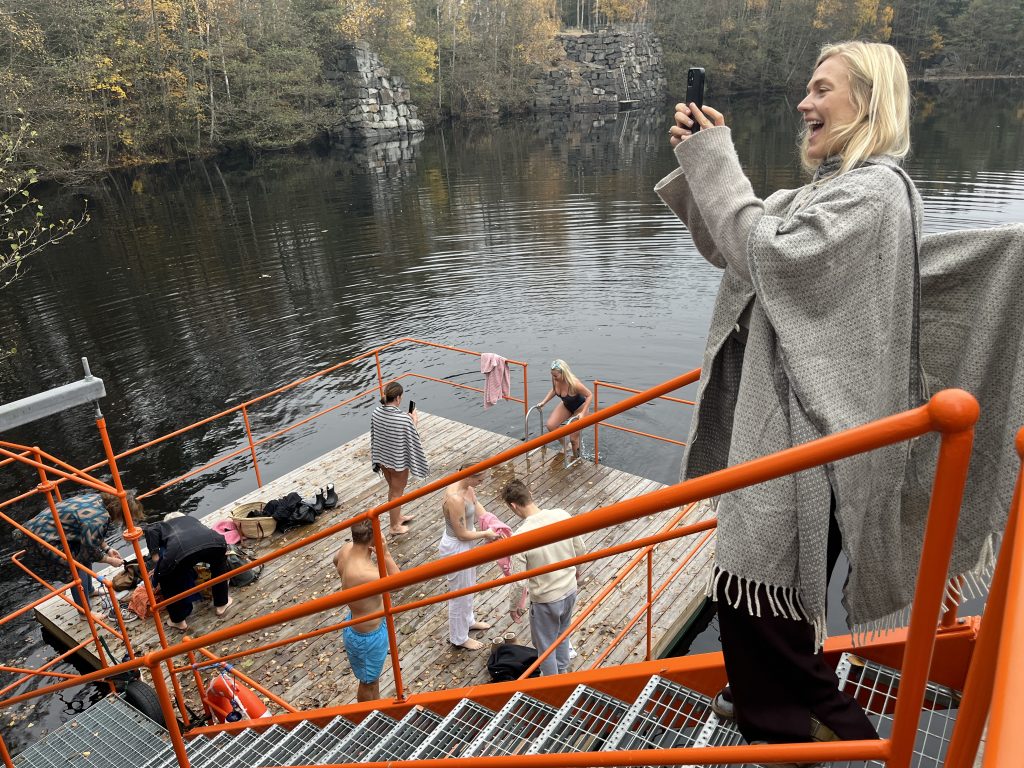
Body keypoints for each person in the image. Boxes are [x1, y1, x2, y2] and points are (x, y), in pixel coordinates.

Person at [657, 41, 923, 747]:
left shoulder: (873, 193)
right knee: (758, 606)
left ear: (866, 102)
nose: (805, 103)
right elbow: (737, 248)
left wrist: (717, 159)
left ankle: (828, 735)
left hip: (813, 437)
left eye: (821, 89)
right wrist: (700, 160)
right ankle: (773, 713)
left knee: (759, 604)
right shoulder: (832, 189)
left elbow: (767, 254)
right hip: (797, 429)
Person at [502, 479, 586, 676]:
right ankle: (563, 671)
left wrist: (514, 607)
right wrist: (577, 569)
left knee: (545, 646)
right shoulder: (561, 515)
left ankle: (551, 684)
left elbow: (518, 581)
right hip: (569, 589)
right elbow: (580, 548)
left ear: (513, 506)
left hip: (546, 599)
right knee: (562, 634)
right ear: (530, 493)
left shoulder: (521, 537)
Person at [22, 491, 142, 620]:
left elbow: (88, 533)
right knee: (77, 568)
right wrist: (109, 560)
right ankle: (84, 613)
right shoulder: (99, 518)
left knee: (82, 557)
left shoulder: (97, 500)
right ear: (122, 513)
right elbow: (89, 550)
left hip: (47, 528)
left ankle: (89, 590)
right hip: (43, 537)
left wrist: (107, 549)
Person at [333, 519, 400, 701]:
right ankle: (367, 717)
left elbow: (335, 561)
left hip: (366, 624)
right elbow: (399, 583)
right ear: (374, 538)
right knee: (368, 682)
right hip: (367, 637)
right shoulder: (364, 573)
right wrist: (385, 555)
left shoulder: (346, 549)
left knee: (372, 678)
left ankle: (375, 709)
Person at [439, 460, 500, 650]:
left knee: (469, 587)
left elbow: (476, 505)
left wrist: (492, 523)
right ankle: (459, 637)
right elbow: (461, 533)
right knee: (460, 594)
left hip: (468, 543)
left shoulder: (467, 486)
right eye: (480, 480)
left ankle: (469, 621)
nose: (482, 483)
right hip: (457, 546)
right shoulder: (455, 498)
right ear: (470, 475)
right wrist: (485, 534)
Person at [144, 513, 233, 631]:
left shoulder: (163, 526)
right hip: (216, 542)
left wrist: (155, 555)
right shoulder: (192, 519)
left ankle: (178, 621)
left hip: (180, 551)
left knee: (167, 580)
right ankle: (222, 604)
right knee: (219, 563)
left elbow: (149, 530)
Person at [370, 381, 429, 535]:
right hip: (397, 462)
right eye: (401, 397)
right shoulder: (403, 419)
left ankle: (397, 518)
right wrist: (413, 421)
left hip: (383, 458)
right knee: (397, 493)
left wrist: (409, 420)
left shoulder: (376, 412)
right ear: (397, 398)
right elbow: (412, 437)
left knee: (393, 490)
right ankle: (394, 527)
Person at [533, 359, 593, 456]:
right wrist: (544, 402)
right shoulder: (555, 380)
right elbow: (554, 390)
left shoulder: (574, 384)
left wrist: (583, 412)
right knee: (551, 425)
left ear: (563, 374)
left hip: (580, 409)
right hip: (566, 405)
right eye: (552, 375)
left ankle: (576, 460)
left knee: (573, 439)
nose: (553, 377)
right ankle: (566, 445)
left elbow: (590, 395)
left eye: (555, 375)